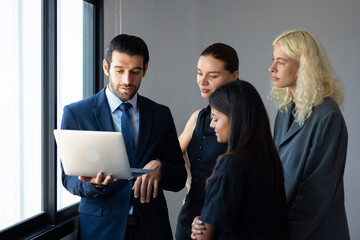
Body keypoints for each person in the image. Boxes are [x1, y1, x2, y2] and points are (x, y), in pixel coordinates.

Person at [60, 34, 186, 240]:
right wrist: (94, 184)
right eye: (119, 71)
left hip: (151, 230)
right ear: (106, 67)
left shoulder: (160, 115)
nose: (127, 80)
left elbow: (179, 177)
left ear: (145, 69)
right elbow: (68, 177)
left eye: (135, 72)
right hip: (100, 230)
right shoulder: (76, 113)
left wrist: (161, 167)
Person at [268, 29, 350, 239]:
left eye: (281, 62)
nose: (272, 68)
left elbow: (316, 194)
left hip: (314, 232)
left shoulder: (328, 117)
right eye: (273, 60)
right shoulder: (284, 111)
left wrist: (281, 233)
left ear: (303, 66)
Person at [190, 80, 290, 239]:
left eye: (216, 118)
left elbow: (203, 235)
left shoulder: (231, 164)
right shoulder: (269, 161)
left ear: (235, 118)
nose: (211, 124)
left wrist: (198, 225)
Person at [175, 43, 239, 239]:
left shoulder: (242, 122)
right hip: (190, 215)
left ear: (234, 77)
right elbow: (175, 153)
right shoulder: (197, 117)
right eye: (199, 73)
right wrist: (189, 183)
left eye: (212, 76)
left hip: (225, 220)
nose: (202, 81)